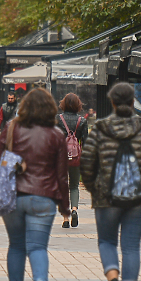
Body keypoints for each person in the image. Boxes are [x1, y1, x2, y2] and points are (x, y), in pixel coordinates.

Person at [80, 82, 141, 281]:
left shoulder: (99, 128)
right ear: (132, 102)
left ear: (113, 102)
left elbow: (87, 163)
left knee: (107, 242)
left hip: (106, 197)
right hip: (139, 199)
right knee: (131, 247)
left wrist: (94, 189)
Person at [0, 88, 69, 281]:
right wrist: (65, 206)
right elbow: (62, 175)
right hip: (43, 198)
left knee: (16, 246)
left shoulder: (11, 128)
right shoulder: (56, 135)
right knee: (37, 247)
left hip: (13, 196)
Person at [56, 92, 87, 229]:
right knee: (74, 185)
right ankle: (74, 209)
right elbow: (85, 143)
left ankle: (66, 218)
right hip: (75, 158)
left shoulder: (58, 119)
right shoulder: (82, 121)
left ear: (63, 104)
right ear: (78, 105)